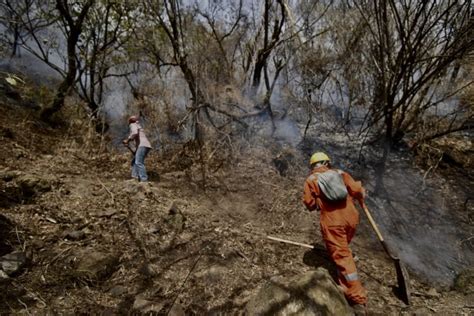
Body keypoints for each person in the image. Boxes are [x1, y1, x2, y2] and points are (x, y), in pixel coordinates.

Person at [302, 152, 368, 313]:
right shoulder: (340, 173)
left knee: (342, 255)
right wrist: (360, 194)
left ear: (313, 166)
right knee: (344, 247)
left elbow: (309, 204)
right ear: (327, 163)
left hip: (333, 222)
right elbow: (357, 190)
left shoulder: (311, 180)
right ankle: (344, 260)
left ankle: (357, 298)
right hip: (351, 217)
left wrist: (318, 201)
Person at [122, 115, 152, 182]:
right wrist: (128, 146)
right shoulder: (138, 126)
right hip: (144, 145)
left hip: (143, 145)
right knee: (134, 161)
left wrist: (128, 140)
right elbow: (135, 153)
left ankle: (144, 180)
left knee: (138, 162)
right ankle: (134, 177)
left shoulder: (133, 124)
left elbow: (134, 132)